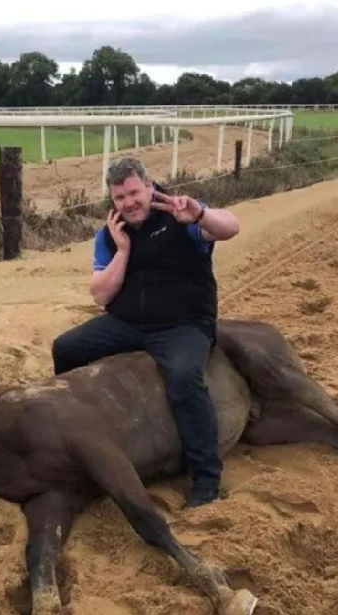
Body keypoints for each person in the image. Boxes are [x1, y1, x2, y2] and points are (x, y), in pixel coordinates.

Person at [51, 156, 240, 507]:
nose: (129, 203)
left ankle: (206, 478)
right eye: (120, 197)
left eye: (134, 193)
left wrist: (199, 213)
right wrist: (122, 250)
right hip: (129, 323)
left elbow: (231, 227)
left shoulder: (179, 214)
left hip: (182, 324)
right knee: (65, 348)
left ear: (149, 187)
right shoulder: (109, 235)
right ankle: (78, 433)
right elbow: (101, 294)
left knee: (184, 379)